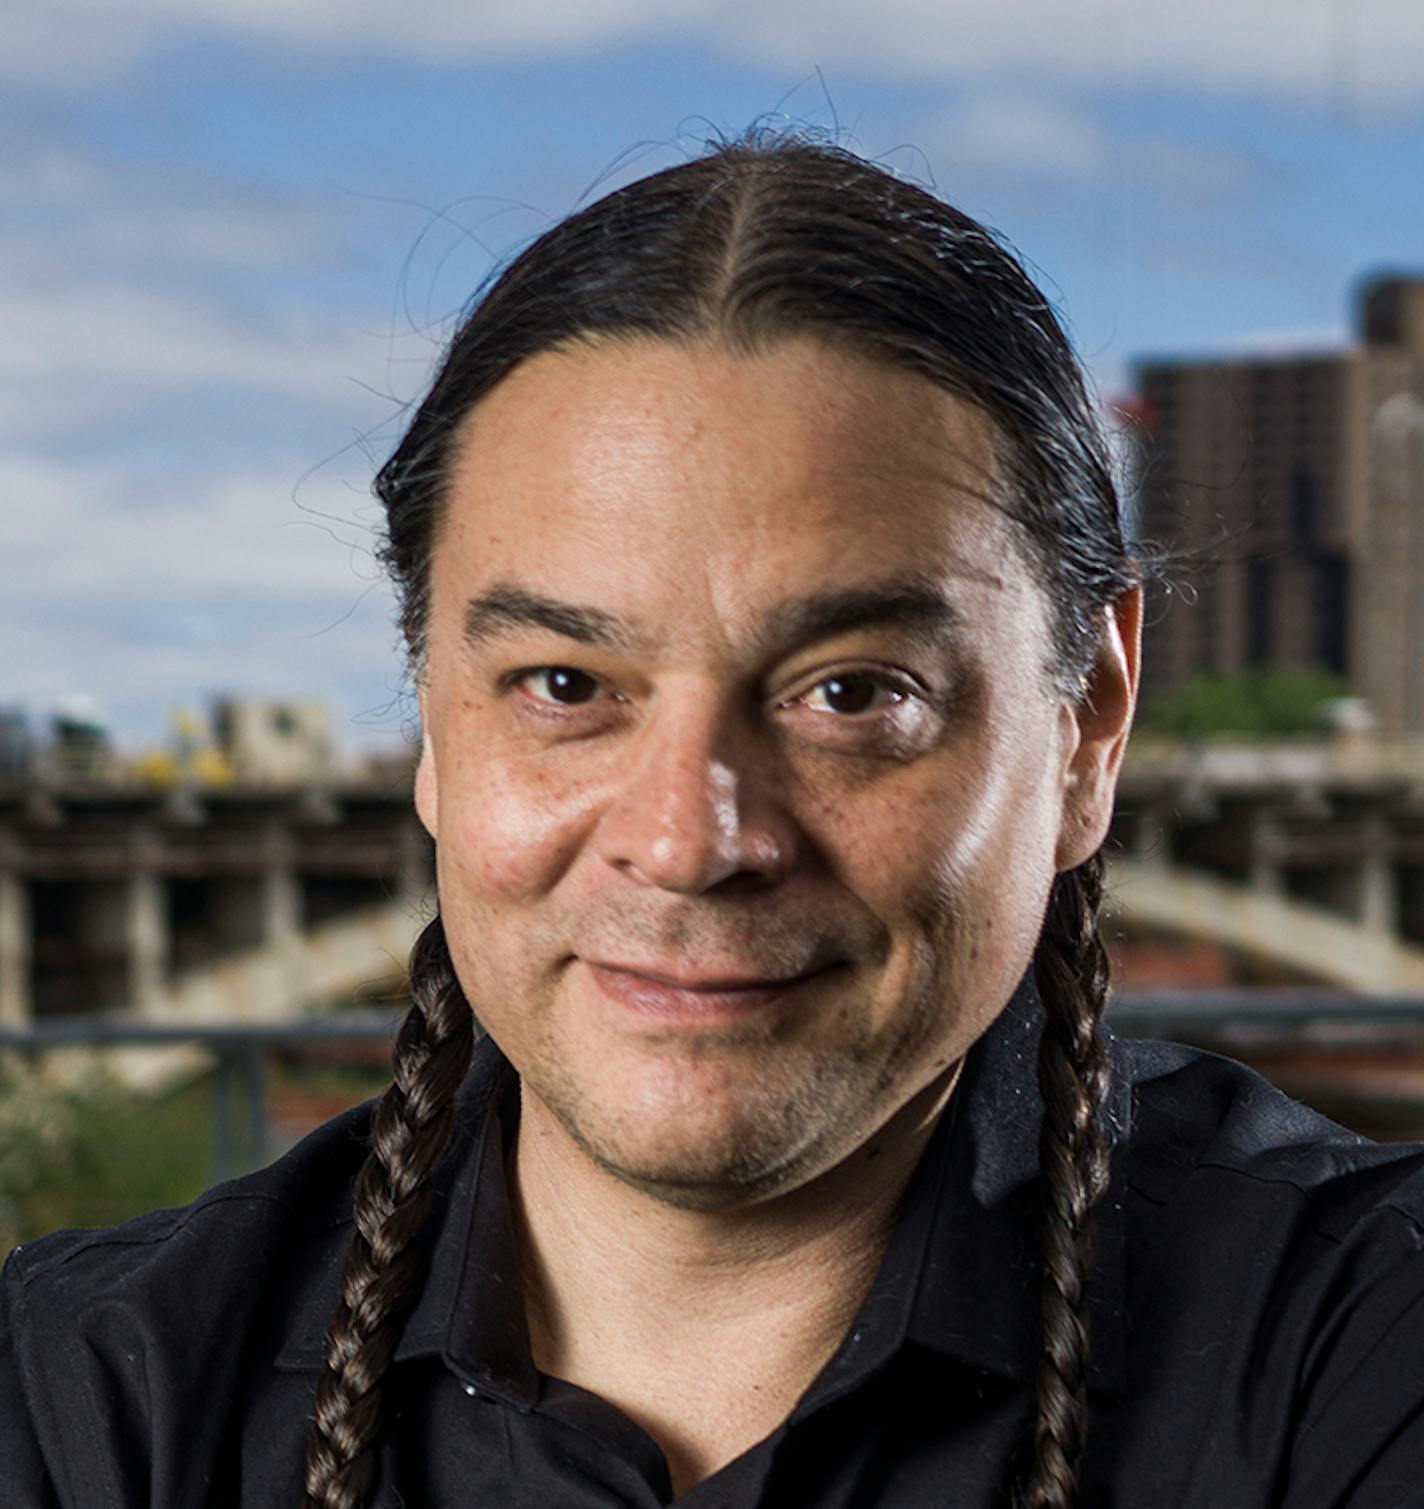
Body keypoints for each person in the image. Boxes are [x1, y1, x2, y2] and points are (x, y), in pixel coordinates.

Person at [5, 133, 1424, 1509]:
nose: (689, 839)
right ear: (430, 719)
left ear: (1088, 719)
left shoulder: (1365, 1348)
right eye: (564, 683)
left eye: (852, 693)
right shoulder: (76, 1402)